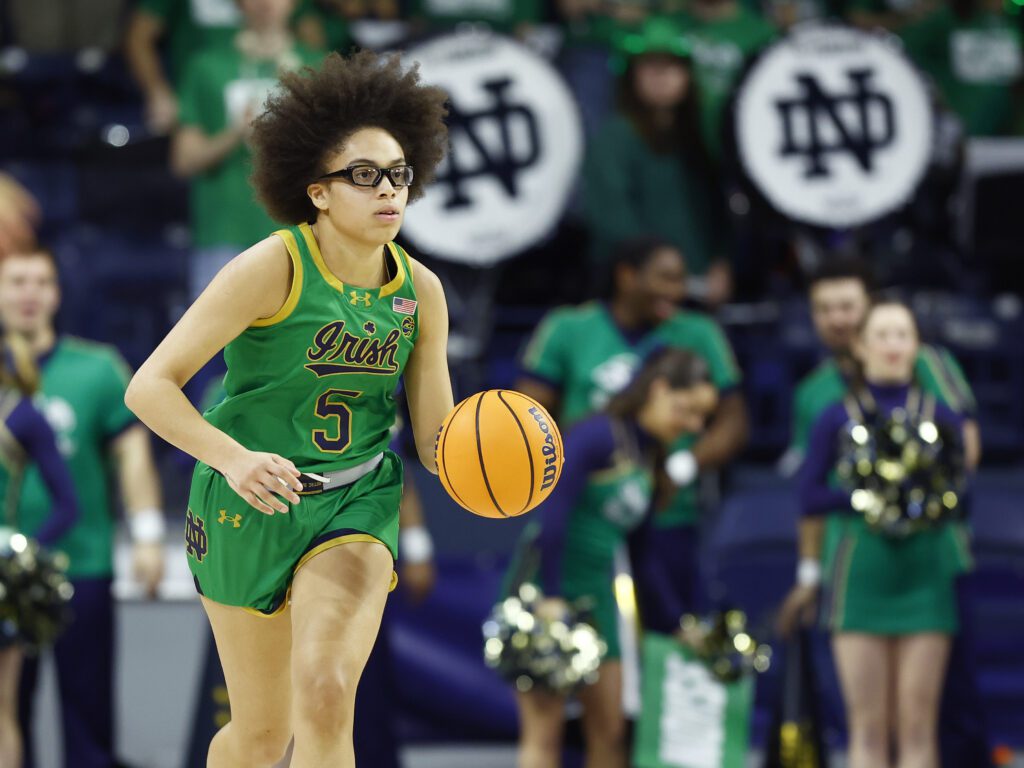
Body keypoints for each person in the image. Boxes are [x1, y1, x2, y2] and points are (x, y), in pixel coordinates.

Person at [124, 50, 452, 767]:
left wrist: (495, 460)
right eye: (363, 176)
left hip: (354, 501)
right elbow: (148, 386)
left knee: (328, 691)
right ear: (320, 192)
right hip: (248, 498)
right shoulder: (272, 267)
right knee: (262, 736)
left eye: (398, 173)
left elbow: (436, 444)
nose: (388, 189)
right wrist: (233, 458)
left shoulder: (421, 291)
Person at [781, 257, 989, 768]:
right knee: (865, 728)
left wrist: (919, 495)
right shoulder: (823, 400)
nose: (838, 317)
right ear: (862, 343)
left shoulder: (933, 392)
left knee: (931, 722)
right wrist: (866, 499)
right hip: (858, 567)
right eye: (824, 308)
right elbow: (808, 495)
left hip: (930, 565)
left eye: (847, 306)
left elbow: (964, 474)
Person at [517, 236, 747, 633]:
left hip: (663, 510)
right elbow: (523, 417)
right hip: (583, 514)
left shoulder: (698, 332)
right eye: (665, 278)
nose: (676, 291)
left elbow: (735, 419)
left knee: (661, 640)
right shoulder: (572, 335)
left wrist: (684, 464)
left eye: (681, 280)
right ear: (627, 276)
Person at [0, 247, 167, 768]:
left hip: (81, 563)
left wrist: (146, 535)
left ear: (57, 294)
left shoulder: (97, 368)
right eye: (16, 281)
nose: (28, 293)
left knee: (87, 714)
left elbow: (132, 455)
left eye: (40, 282)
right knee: (6, 713)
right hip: (1, 577)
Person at [511, 347, 716, 768]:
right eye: (687, 410)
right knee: (544, 735)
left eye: (701, 419)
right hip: (544, 589)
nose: (693, 426)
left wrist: (677, 622)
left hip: (597, 595)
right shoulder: (597, 434)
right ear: (658, 390)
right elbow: (552, 515)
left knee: (610, 734)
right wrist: (550, 597)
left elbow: (643, 556)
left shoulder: (649, 454)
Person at [170, 0, 325, 302]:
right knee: (213, 343)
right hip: (225, 233)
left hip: (301, 232)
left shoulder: (316, 68)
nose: (267, 3)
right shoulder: (207, 66)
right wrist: (236, 133)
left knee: (300, 343)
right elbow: (183, 159)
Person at [583, 17, 732, 305]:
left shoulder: (700, 137)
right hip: (632, 291)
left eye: (671, 66)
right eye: (650, 66)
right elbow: (612, 219)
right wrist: (656, 270)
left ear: (688, 75)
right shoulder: (615, 136)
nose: (661, 76)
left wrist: (721, 263)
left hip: (697, 287)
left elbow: (720, 212)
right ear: (632, 76)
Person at [0, 331, 80, 768]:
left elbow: (68, 505)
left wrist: (17, 556)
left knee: (0, 707)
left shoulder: (21, 414)